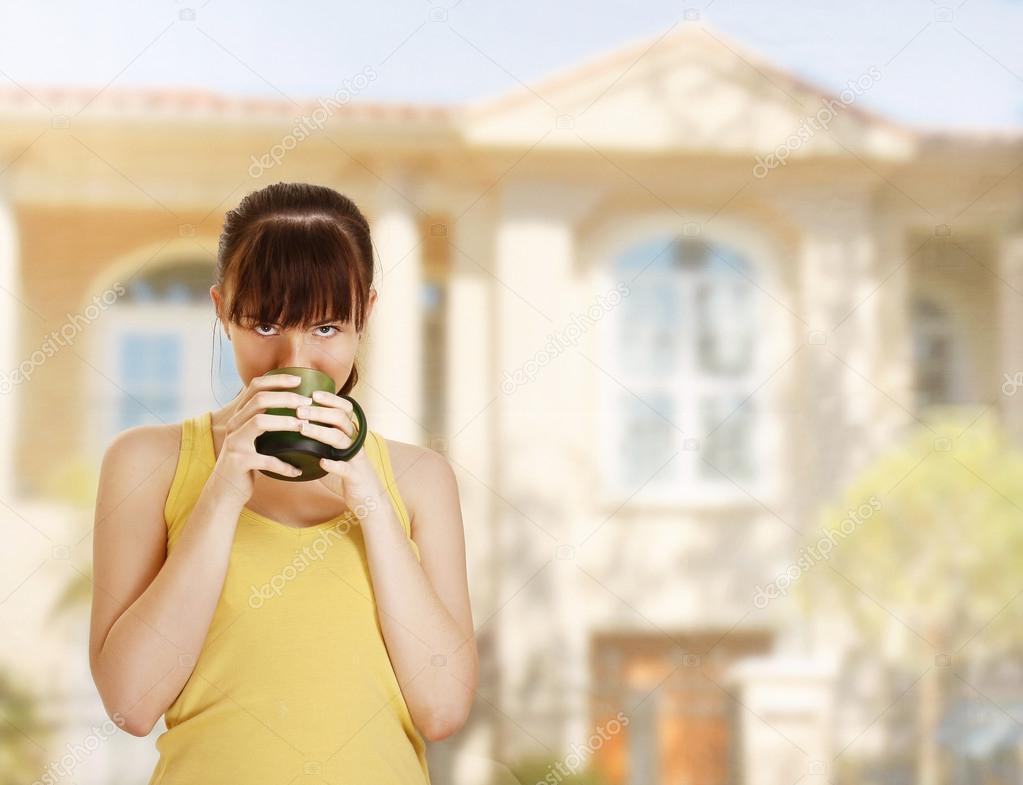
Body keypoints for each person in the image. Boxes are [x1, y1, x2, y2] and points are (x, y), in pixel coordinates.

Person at [88, 182, 477, 784]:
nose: (295, 360)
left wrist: (371, 501)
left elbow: (443, 708)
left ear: (365, 316)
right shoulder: (148, 463)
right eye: (266, 325)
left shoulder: (420, 479)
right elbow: (131, 705)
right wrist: (221, 493)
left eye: (326, 329)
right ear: (222, 311)